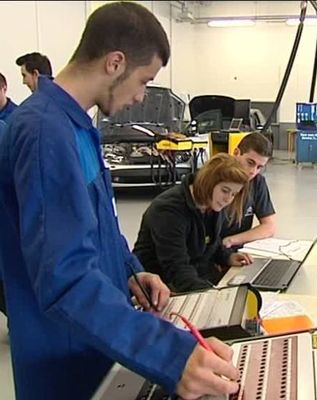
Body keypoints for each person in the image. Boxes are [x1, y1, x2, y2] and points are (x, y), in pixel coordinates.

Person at [0, 3, 239, 399]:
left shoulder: (79, 126)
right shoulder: (45, 132)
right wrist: (171, 355)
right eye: (144, 80)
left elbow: (97, 225)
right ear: (115, 63)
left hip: (100, 340)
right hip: (65, 359)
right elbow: (65, 280)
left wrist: (129, 269)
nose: (141, 96)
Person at [133, 153, 254, 293]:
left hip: (195, 277)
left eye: (234, 194)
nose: (228, 199)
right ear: (209, 182)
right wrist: (212, 295)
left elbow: (210, 243)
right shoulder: (168, 210)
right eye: (225, 191)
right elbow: (177, 268)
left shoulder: (211, 202)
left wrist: (227, 257)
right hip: (163, 287)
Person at [221, 132, 276, 249]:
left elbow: (269, 226)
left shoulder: (257, 182)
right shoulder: (216, 179)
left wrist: (231, 241)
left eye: (259, 167)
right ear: (236, 153)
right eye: (250, 163)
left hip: (234, 249)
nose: (253, 171)